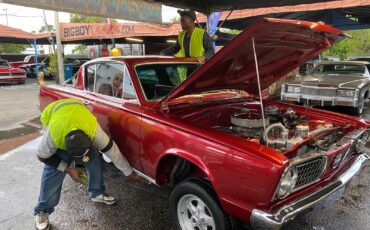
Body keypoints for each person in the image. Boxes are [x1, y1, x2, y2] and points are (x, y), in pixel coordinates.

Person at [34, 98, 142, 230]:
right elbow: (42, 156)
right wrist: (68, 169)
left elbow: (113, 152)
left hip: (79, 115)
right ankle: (42, 210)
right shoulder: (53, 136)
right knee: (53, 170)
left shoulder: (93, 130)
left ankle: (97, 193)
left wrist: (129, 173)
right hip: (57, 116)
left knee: (94, 156)